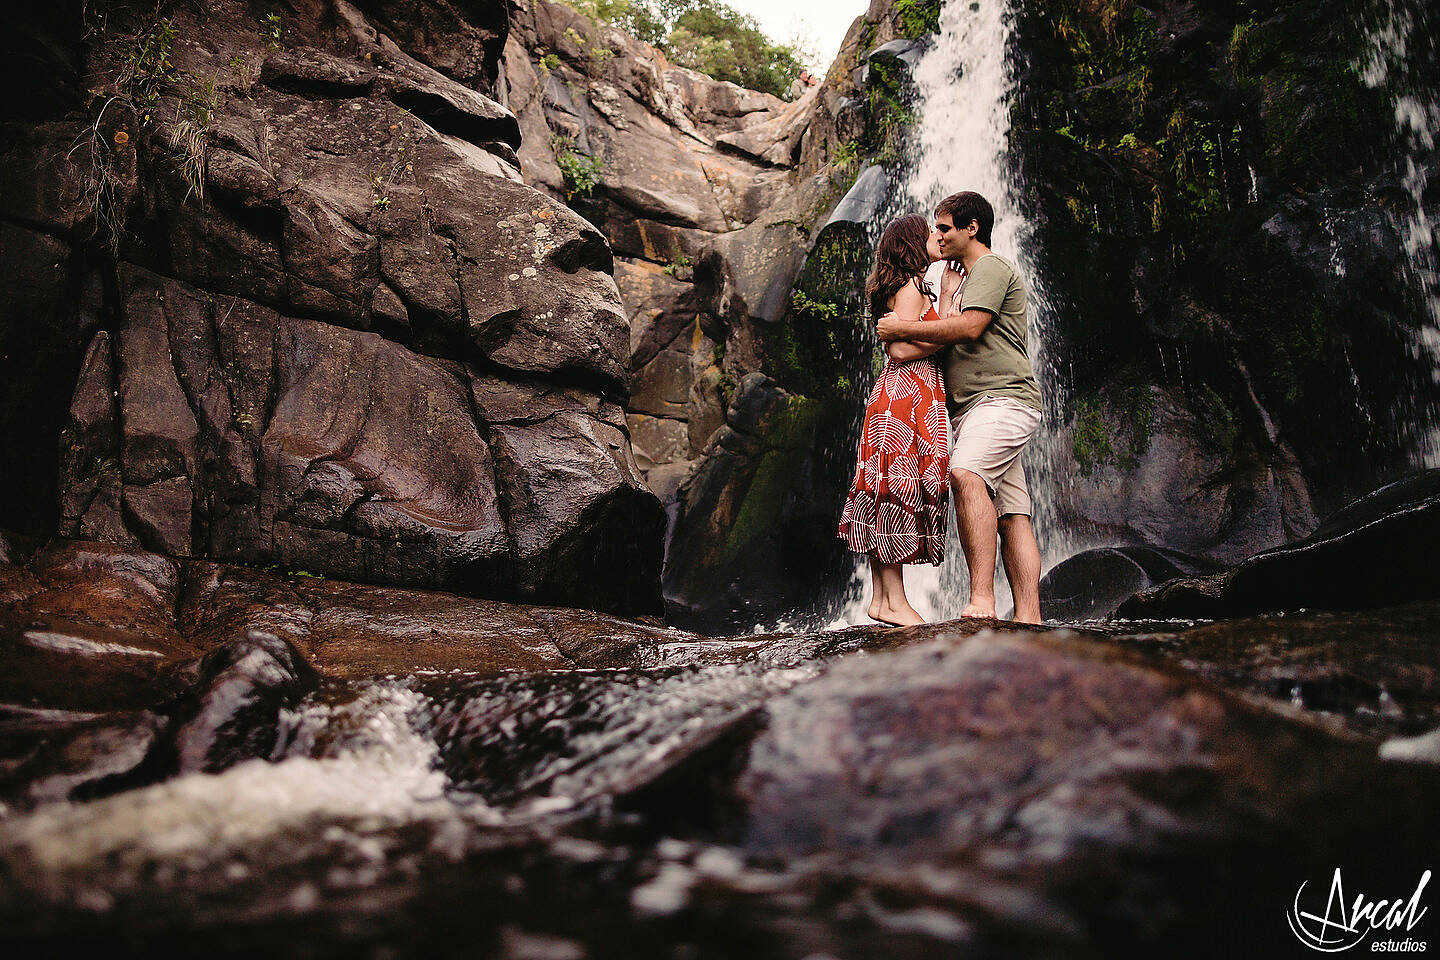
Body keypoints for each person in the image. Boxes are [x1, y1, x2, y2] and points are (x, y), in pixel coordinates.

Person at [877, 191, 1046, 624]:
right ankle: (1029, 619)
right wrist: (944, 297)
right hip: (975, 410)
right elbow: (948, 327)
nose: (938, 235)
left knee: (964, 474)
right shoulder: (956, 281)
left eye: (945, 228)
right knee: (1012, 513)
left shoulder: (990, 266)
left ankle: (982, 602)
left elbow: (969, 328)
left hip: (1000, 402)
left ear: (972, 228)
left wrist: (902, 326)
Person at [837, 214, 951, 627]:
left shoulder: (913, 285)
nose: (938, 238)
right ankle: (895, 600)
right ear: (912, 243)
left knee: (885, 485)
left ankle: (883, 598)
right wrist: (948, 327)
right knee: (895, 487)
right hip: (906, 396)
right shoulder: (909, 286)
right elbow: (901, 349)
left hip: (897, 394)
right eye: (931, 233)